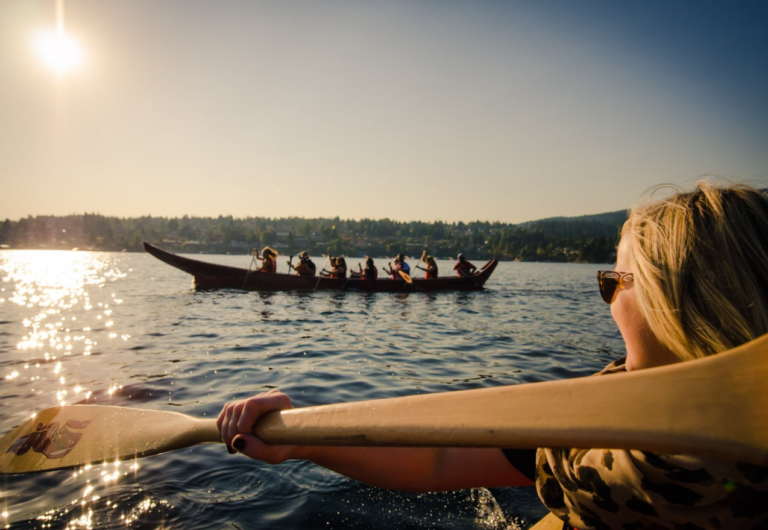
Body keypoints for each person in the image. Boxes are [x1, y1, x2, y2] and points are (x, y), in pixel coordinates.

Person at [219, 182, 768, 529]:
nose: (606, 302)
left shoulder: (585, 443)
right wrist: (298, 437)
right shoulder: (588, 420)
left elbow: (440, 461)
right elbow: (438, 459)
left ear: (674, 303)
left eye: (612, 282)